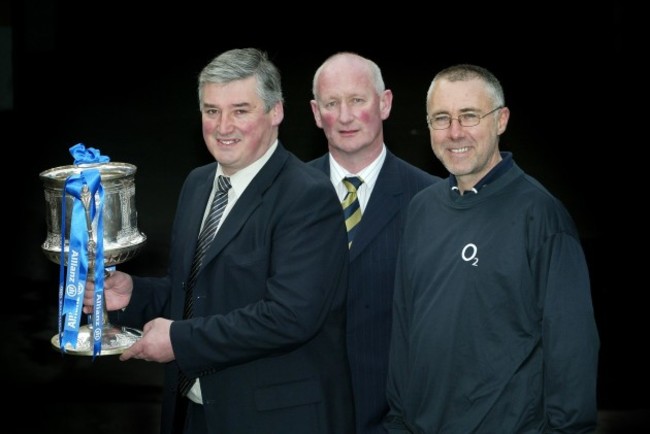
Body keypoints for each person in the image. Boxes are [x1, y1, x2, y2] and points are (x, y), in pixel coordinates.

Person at [84, 48, 355, 434]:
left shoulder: (306, 196)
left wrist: (179, 340)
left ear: (275, 112)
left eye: (240, 110)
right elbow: (197, 293)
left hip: (273, 420)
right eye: (212, 111)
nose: (223, 126)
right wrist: (134, 296)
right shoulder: (198, 184)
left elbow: (289, 317)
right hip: (194, 414)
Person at [384, 64, 600, 433]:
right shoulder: (421, 210)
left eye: (469, 116)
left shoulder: (540, 216)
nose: (454, 132)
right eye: (441, 118)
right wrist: (399, 421)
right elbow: (405, 328)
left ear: (501, 120)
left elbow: (572, 349)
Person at [308, 52, 441, 434]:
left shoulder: (431, 200)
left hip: (400, 418)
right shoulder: (282, 196)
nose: (346, 116)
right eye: (333, 104)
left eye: (358, 100)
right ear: (317, 114)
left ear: (385, 104)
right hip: (300, 413)